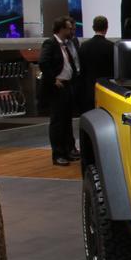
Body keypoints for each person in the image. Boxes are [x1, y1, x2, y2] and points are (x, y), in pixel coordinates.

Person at [39, 16, 82, 166]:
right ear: (61, 29)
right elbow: (43, 62)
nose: (71, 31)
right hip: (57, 88)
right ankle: (57, 154)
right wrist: (53, 79)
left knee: (66, 120)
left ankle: (67, 151)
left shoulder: (66, 44)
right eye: (69, 28)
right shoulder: (50, 43)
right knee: (57, 122)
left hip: (68, 85)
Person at [78, 15, 115, 114]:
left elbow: (82, 69)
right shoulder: (112, 47)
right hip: (107, 88)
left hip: (89, 88)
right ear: (106, 27)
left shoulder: (84, 46)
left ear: (93, 27)